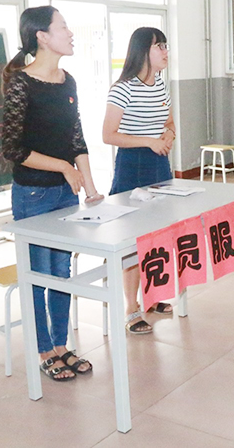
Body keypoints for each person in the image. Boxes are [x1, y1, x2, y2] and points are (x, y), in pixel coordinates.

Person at [2, 6, 103, 381]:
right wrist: (63, 167)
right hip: (33, 194)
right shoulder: (21, 83)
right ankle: (44, 350)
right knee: (39, 273)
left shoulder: (67, 81)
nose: (71, 33)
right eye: (63, 27)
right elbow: (13, 148)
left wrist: (90, 187)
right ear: (42, 36)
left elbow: (76, 138)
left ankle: (61, 345)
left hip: (65, 194)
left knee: (62, 272)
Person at [102, 27, 176, 334]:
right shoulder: (123, 89)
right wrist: (149, 141)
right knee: (133, 241)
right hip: (132, 165)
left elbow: (169, 122)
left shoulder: (160, 85)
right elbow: (108, 135)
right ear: (143, 50)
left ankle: (153, 296)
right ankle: (131, 308)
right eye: (160, 46)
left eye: (166, 46)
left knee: (157, 234)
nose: (166, 52)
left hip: (159, 163)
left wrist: (168, 135)